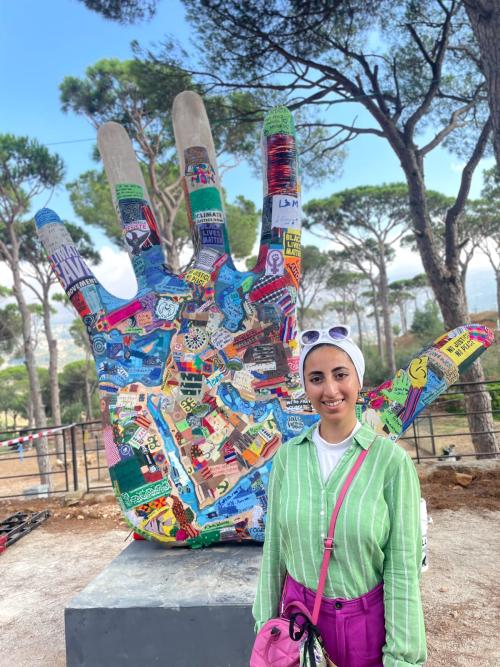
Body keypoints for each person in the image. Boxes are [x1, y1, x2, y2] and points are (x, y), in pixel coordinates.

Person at [252, 325, 427, 667]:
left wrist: (402, 657)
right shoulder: (288, 458)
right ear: (305, 386)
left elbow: (403, 568)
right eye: (316, 378)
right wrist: (264, 624)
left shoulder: (391, 463)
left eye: (340, 374)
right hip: (298, 623)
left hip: (365, 628)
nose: (330, 389)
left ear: (359, 381)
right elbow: (274, 550)